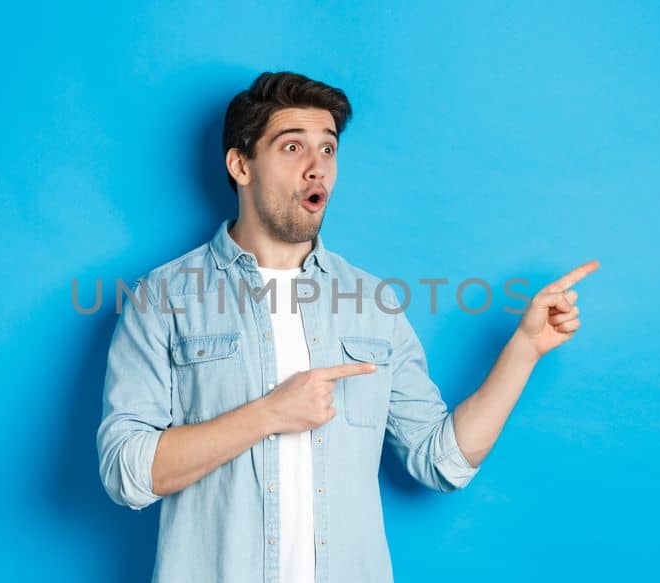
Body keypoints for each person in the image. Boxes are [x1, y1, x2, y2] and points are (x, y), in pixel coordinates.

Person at [97, 71, 598, 583]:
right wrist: (268, 414)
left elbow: (441, 461)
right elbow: (126, 472)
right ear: (240, 164)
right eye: (292, 147)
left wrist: (525, 349)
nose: (317, 168)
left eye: (328, 150)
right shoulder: (163, 297)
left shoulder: (373, 305)